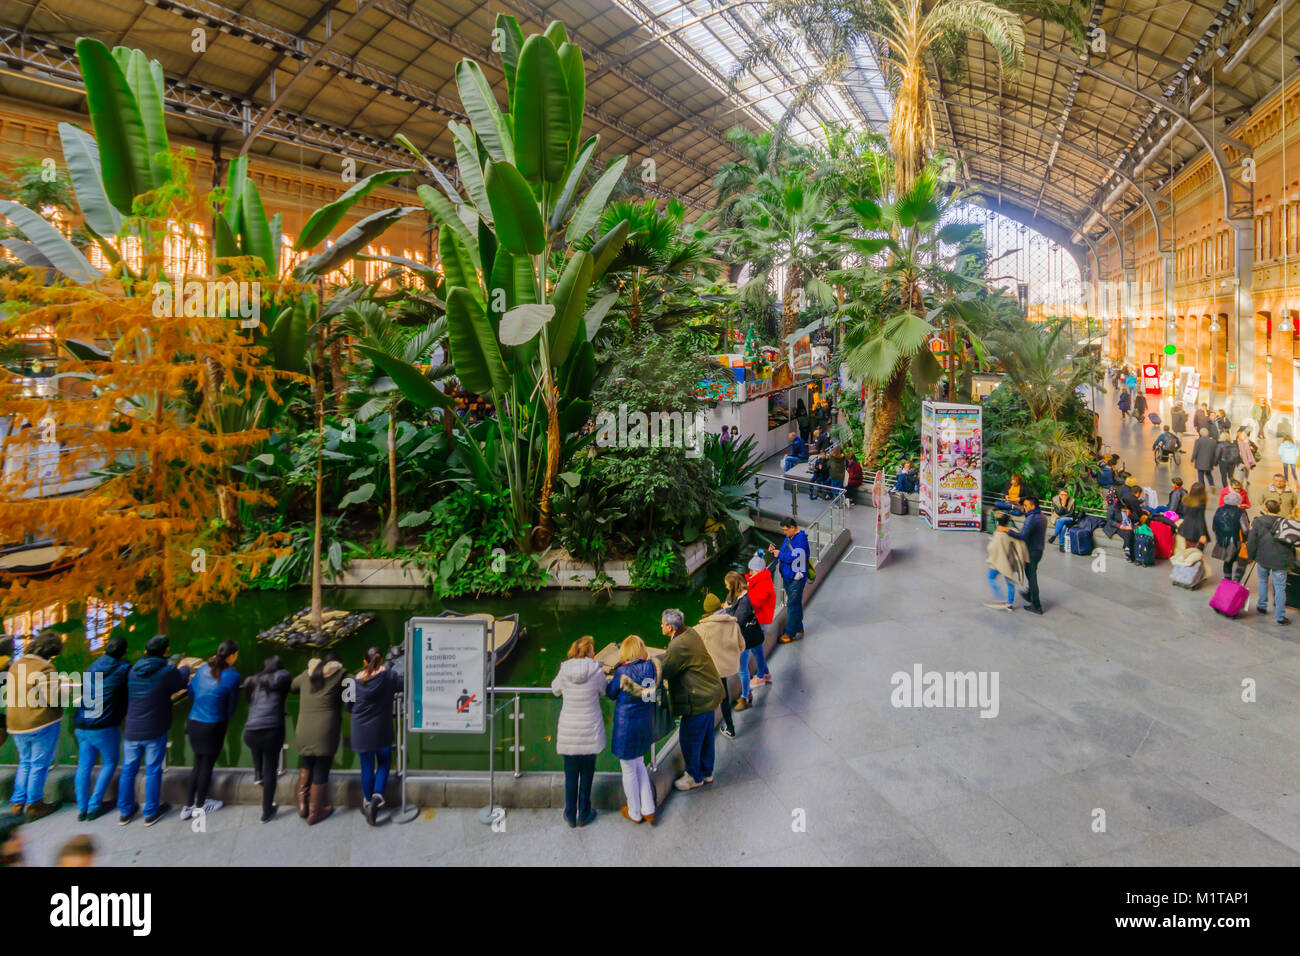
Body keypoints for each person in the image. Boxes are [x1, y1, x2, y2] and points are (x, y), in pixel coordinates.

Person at [119, 635, 192, 827]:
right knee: (153, 770)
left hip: (132, 727)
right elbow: (180, 683)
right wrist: (184, 667)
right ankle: (150, 812)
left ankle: (125, 811)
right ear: (166, 651)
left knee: (128, 771)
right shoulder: (167, 671)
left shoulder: (133, 670)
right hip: (155, 728)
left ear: (145, 651)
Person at [659, 609, 723, 792]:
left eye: (663, 623)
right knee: (706, 737)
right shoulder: (690, 632)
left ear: (670, 627)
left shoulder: (678, 645)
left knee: (689, 739)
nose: (661, 626)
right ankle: (706, 771)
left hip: (698, 698)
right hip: (710, 693)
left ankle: (694, 776)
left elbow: (666, 670)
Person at [6, 631, 67, 821]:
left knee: (25, 762)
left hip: (16, 723)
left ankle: (18, 803)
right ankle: (35, 804)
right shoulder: (45, 668)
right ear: (51, 652)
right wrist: (63, 686)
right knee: (39, 765)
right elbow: (52, 698)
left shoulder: (16, 665)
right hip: (40, 722)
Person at [73, 634, 130, 822]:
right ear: (125, 652)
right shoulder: (123, 669)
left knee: (84, 765)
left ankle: (82, 808)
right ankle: (94, 806)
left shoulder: (92, 667)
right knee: (110, 763)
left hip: (82, 724)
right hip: (103, 726)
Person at [550, 636, 606, 827]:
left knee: (570, 775)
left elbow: (555, 690)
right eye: (592, 650)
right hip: (590, 730)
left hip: (569, 731)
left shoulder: (564, 669)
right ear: (588, 652)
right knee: (588, 774)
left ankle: (570, 814)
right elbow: (604, 690)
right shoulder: (596, 671)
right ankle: (584, 813)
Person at [182, 639, 240, 821]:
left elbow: (191, 692)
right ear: (232, 656)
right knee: (206, 765)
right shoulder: (232, 676)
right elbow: (231, 707)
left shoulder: (202, 670)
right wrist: (225, 726)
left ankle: (187, 806)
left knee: (197, 764)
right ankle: (201, 805)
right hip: (213, 725)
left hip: (194, 722)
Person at [348, 646, 403, 826]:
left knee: (366, 766)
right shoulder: (389, 677)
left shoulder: (350, 682)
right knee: (385, 761)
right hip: (382, 729)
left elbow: (347, 706)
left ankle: (367, 800)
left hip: (360, 731)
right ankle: (377, 796)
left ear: (365, 662)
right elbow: (404, 684)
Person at [606, 635, 658, 825]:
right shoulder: (650, 667)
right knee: (639, 766)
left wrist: (611, 679)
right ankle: (648, 809)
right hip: (644, 723)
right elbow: (647, 697)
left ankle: (635, 812)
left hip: (626, 727)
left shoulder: (622, 672)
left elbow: (611, 694)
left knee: (628, 769)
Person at [292, 651, 347, 825]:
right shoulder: (341, 674)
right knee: (322, 768)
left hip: (303, 728)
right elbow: (356, 684)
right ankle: (315, 812)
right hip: (325, 730)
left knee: (306, 762)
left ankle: (302, 805)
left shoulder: (306, 674)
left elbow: (293, 687)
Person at [242, 656, 291, 823]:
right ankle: (267, 811)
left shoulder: (252, 682)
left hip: (250, 731)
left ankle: (257, 774)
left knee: (257, 747)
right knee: (270, 769)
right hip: (271, 731)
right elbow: (285, 675)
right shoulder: (281, 678)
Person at [696, 593, 744, 739]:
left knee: (713, 700)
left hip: (712, 670)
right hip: (729, 666)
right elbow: (741, 645)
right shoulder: (732, 623)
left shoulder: (701, 629)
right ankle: (728, 727)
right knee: (724, 697)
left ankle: (728, 728)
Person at [724, 565, 769, 712]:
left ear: (732, 585)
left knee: (742, 669)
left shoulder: (744, 600)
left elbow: (738, 619)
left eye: (726, 584)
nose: (725, 587)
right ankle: (763, 675)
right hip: (751, 635)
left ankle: (745, 695)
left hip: (745, 638)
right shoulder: (741, 596)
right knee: (757, 654)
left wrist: (727, 610)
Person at [1247, 499, 1298, 625]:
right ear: (1279, 509)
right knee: (1280, 587)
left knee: (1262, 580)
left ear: (1266, 509)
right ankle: (1280, 616)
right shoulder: (1286, 522)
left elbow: (1252, 541)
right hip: (1280, 560)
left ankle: (1262, 606)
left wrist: (1251, 556)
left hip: (1263, 557)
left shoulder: (1258, 521)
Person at [769, 517, 810, 643]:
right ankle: (798, 627)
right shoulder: (789, 537)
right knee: (795, 603)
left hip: (796, 578)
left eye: (786, 530)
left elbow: (795, 557)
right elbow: (784, 552)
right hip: (788, 576)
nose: (785, 533)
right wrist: (775, 552)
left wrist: (780, 555)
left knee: (792, 604)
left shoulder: (801, 539)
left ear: (793, 528)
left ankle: (790, 633)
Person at [1007, 496, 1046, 614]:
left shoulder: (1032, 518)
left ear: (1032, 506)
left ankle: (1036, 605)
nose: (1024, 507)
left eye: (1026, 505)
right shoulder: (1042, 516)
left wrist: (1007, 531)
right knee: (1031, 574)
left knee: (1032, 577)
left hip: (1031, 552)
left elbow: (1023, 535)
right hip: (1038, 550)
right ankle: (1030, 595)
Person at [986, 513, 1028, 610]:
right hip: (1009, 561)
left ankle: (999, 598)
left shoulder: (998, 534)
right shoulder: (1010, 531)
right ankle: (1009, 603)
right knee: (1010, 581)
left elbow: (991, 548)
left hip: (998, 562)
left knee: (991, 577)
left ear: (998, 523)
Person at [1212, 491, 1248, 584]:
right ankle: (1236, 581)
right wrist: (1245, 540)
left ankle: (1227, 581)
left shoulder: (1219, 510)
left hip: (1222, 540)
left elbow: (1214, 526)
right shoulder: (1240, 512)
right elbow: (1245, 530)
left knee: (1227, 561)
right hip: (1235, 541)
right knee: (1242, 561)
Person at [1177, 483, 1210, 553]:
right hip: (1196, 529)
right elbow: (1201, 519)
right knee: (1197, 551)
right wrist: (1203, 534)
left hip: (1186, 526)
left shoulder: (1185, 499)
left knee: (1189, 547)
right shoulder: (1201, 504)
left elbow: (1183, 512)